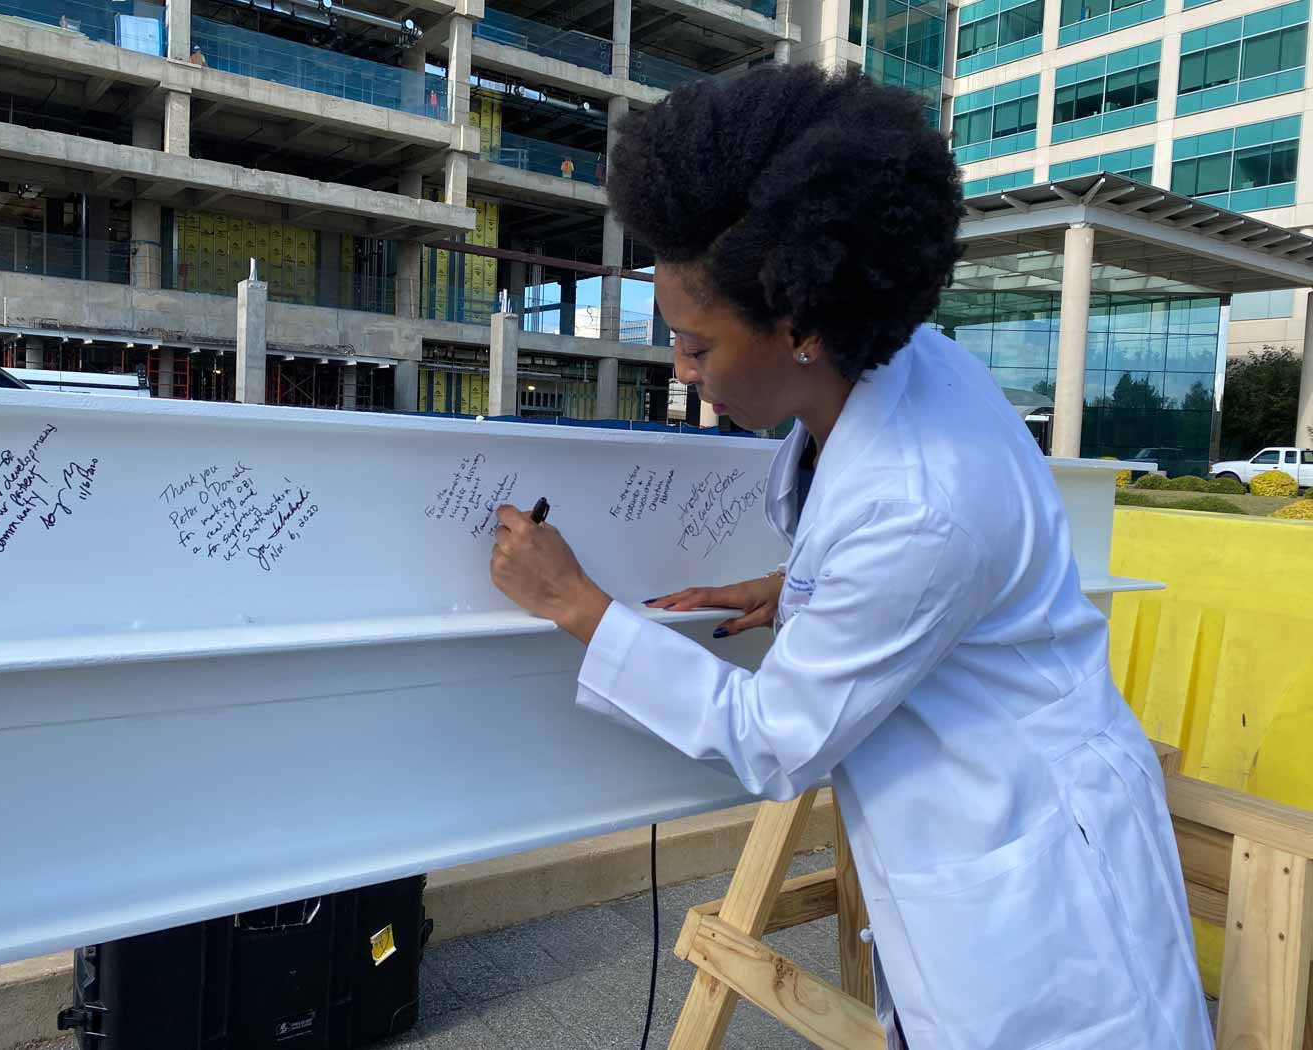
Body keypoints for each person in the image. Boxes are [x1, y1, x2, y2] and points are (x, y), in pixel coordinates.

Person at [489, 65, 1211, 1050]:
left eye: (696, 348)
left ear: (800, 325)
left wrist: (575, 603)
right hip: (1001, 826)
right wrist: (803, 590)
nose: (681, 374)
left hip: (1042, 906)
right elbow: (916, 574)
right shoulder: (897, 368)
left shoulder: (919, 499)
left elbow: (777, 741)